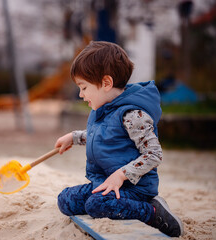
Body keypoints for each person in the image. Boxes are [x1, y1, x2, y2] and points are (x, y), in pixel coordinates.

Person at [55, 41, 183, 237]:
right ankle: (121, 202)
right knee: (65, 200)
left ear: (106, 83)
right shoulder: (105, 108)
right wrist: (74, 137)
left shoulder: (133, 115)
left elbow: (154, 154)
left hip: (134, 188)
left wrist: (121, 174)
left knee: (97, 204)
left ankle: (153, 212)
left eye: (84, 87)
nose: (80, 94)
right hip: (108, 183)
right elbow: (104, 137)